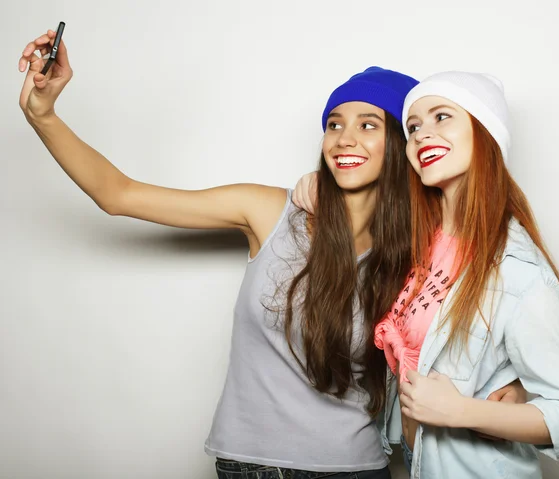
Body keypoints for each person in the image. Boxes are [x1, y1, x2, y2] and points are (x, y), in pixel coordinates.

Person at [17, 27, 528, 478]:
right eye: (334, 123)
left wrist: (512, 389)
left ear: (401, 142)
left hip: (356, 468)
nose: (344, 137)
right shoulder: (268, 211)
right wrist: (43, 114)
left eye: (368, 124)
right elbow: (119, 194)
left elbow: (478, 323)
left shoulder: (422, 251)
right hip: (248, 466)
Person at [376, 71, 559, 478]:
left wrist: (462, 411)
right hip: (416, 463)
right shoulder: (420, 242)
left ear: (484, 131)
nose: (422, 134)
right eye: (413, 126)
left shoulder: (517, 270)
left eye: (442, 116)